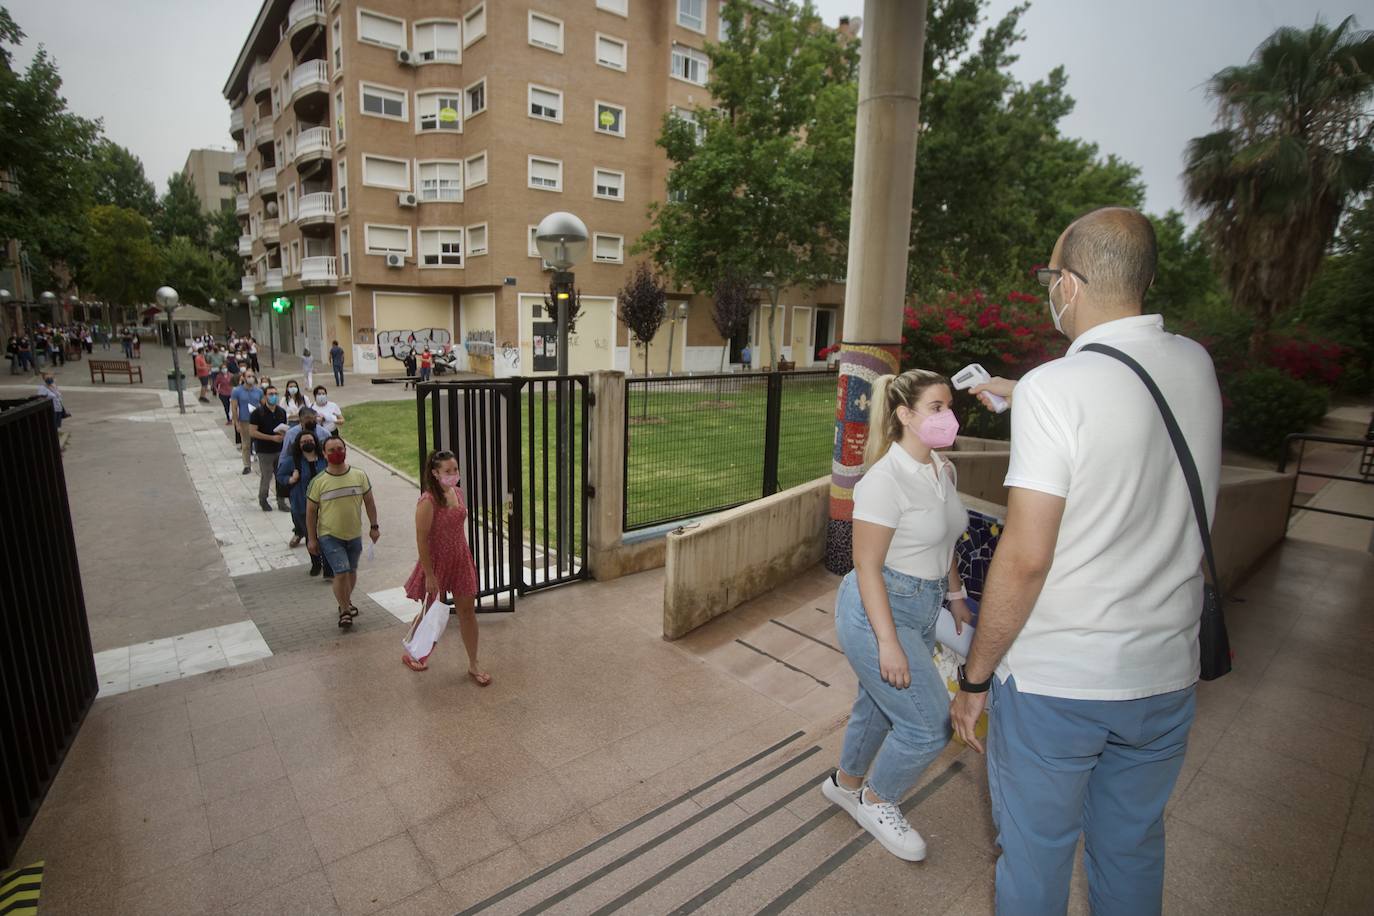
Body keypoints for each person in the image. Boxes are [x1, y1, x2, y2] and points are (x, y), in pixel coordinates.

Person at [948, 208, 1222, 915]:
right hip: (1164, 675)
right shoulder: (1195, 364)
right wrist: (1025, 395)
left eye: (1050, 277)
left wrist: (974, 676)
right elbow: (1126, 432)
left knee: (1034, 859)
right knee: (1130, 847)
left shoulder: (1056, 389)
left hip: (1058, 685)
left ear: (1068, 284)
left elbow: (1027, 556)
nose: (1049, 292)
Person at [819, 369, 972, 862]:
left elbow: (944, 540)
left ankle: (845, 785)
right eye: (936, 407)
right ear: (905, 415)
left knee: (879, 705)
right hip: (876, 610)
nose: (948, 416)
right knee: (929, 726)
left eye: (949, 406)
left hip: (924, 604)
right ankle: (877, 800)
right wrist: (888, 642)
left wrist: (954, 596)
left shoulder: (942, 470)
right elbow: (865, 565)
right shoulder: (884, 481)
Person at [401, 450, 489, 682]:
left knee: (467, 612)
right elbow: (421, 539)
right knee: (430, 610)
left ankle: (474, 664)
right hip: (436, 561)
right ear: (435, 473)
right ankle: (412, 650)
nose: (453, 474)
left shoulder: (457, 493)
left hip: (460, 558)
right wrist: (429, 574)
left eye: (455, 470)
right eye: (448, 471)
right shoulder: (427, 501)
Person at [306, 435, 380, 629]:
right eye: (331, 450)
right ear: (323, 454)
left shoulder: (359, 476)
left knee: (351, 571)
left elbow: (370, 502)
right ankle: (345, 610)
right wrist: (312, 539)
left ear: (346, 450)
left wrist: (374, 526)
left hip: (354, 534)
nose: (336, 453)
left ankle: (345, 601)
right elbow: (311, 512)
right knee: (341, 572)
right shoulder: (318, 482)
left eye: (340, 448)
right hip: (329, 536)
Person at [277, 425, 329, 553]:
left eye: (310, 441)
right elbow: (280, 475)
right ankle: (315, 562)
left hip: (324, 503)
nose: (307, 444)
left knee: (326, 534)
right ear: (298, 445)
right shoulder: (292, 461)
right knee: (310, 535)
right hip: (302, 503)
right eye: (304, 442)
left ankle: (327, 562)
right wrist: (291, 479)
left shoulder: (324, 458)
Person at [250, 385, 289, 512]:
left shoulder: (281, 412)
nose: (274, 396)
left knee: (281, 476)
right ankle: (263, 499)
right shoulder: (257, 413)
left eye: (275, 394)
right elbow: (253, 432)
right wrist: (271, 438)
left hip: (280, 449)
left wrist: (283, 436)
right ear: (265, 396)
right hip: (264, 450)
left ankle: (281, 501)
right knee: (266, 476)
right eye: (271, 394)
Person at [229, 370, 263, 474]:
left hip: (257, 421)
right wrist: (236, 422)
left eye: (252, 376)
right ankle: (247, 465)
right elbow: (234, 407)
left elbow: (263, 404)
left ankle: (262, 464)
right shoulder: (237, 391)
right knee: (246, 444)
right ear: (243, 377)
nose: (251, 378)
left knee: (259, 443)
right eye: (249, 376)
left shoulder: (259, 391)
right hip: (244, 420)